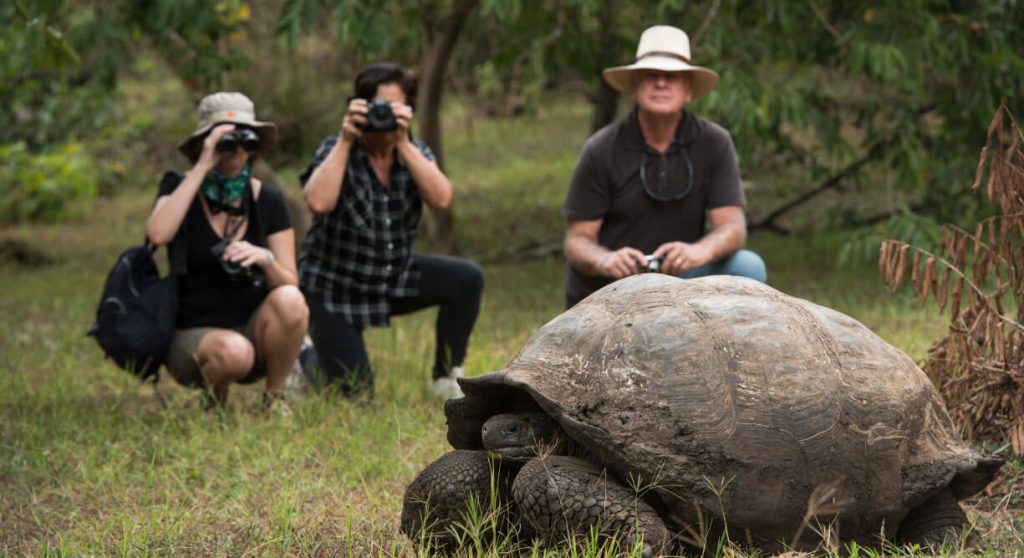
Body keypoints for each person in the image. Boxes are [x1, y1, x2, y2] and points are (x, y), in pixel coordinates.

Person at [299, 63, 484, 400]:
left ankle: (445, 378)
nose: (382, 115)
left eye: (392, 107)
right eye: (374, 106)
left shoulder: (415, 152)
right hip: (333, 288)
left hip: (391, 275)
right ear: (357, 106)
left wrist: (403, 143)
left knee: (466, 278)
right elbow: (318, 202)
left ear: (408, 110)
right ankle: (306, 358)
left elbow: (441, 198)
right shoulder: (336, 150)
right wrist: (345, 140)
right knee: (356, 394)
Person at [563, 25, 767, 308]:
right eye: (651, 76)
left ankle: (739, 351)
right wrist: (606, 259)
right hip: (613, 286)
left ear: (689, 90)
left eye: (671, 76)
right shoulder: (602, 148)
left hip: (682, 278)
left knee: (748, 266)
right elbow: (577, 241)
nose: (661, 83)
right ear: (635, 86)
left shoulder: (714, 142)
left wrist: (698, 252)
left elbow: (732, 228)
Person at [147, 92, 309, 414]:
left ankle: (274, 399)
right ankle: (214, 400)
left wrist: (264, 258)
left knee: (291, 300)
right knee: (234, 352)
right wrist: (203, 164)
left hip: (254, 329)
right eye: (225, 138)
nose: (236, 148)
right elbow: (158, 233)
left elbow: (290, 281)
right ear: (203, 141)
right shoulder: (177, 187)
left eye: (244, 138)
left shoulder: (269, 200)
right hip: (193, 335)